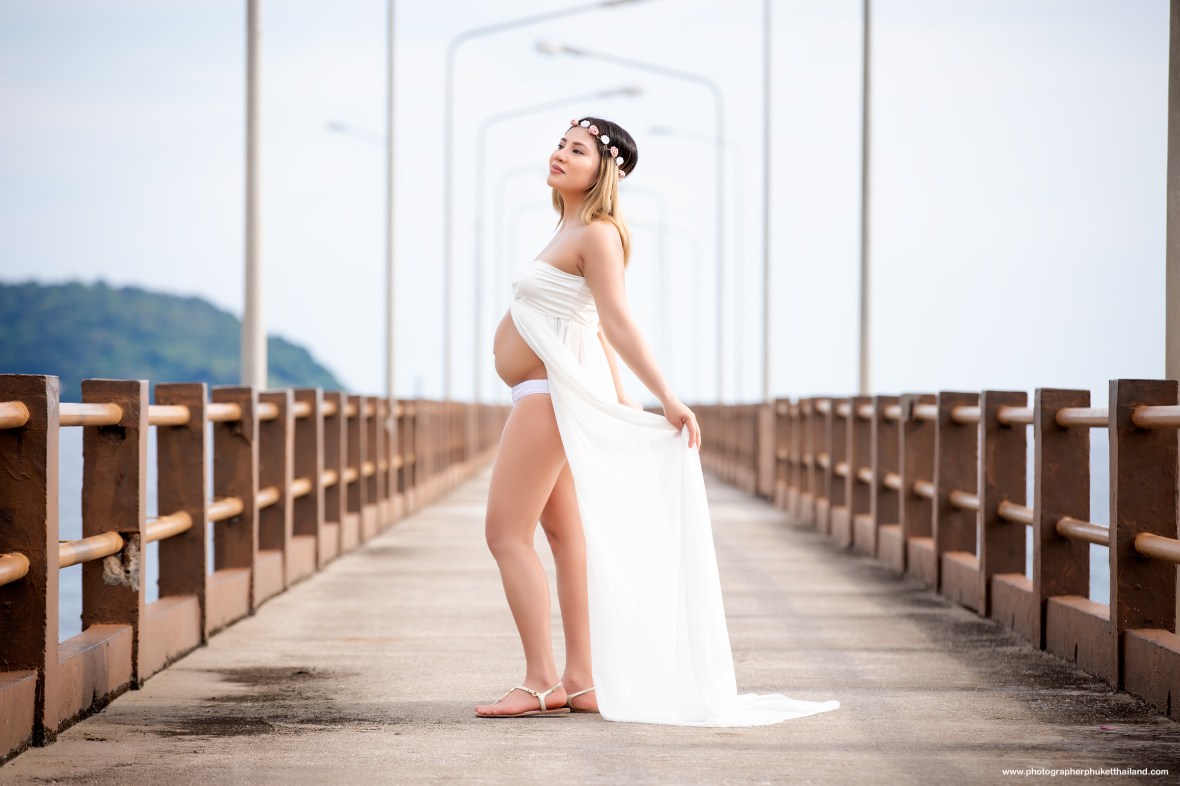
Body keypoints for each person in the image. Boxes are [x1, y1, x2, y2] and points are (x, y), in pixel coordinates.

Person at [474, 117, 840, 726]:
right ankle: (581, 680)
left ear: (605, 170)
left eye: (577, 150)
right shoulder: (567, 229)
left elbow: (618, 322)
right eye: (560, 145)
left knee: (505, 535)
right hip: (546, 392)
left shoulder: (598, 234)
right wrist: (624, 400)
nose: (560, 154)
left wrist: (665, 397)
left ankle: (540, 681)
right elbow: (592, 326)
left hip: (548, 396)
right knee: (565, 539)